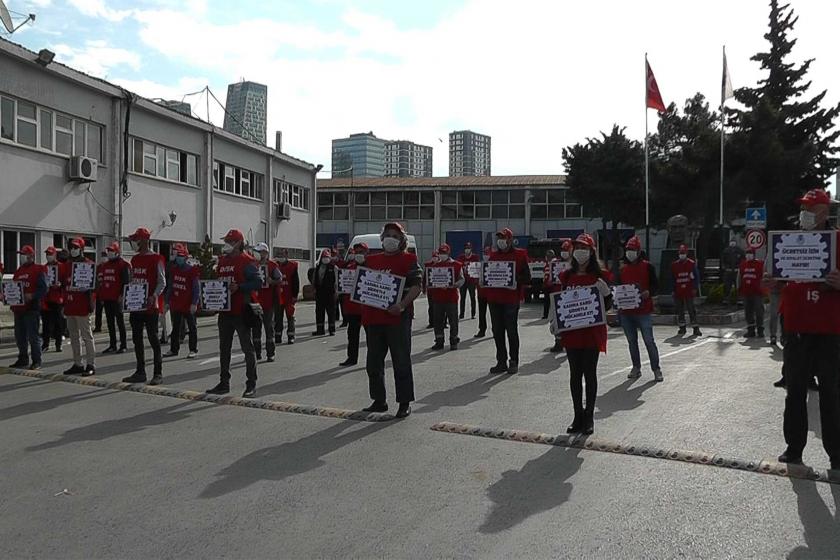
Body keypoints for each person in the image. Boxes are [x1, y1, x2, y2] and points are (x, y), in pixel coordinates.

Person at [777, 188, 840, 471]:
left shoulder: (838, 241)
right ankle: (794, 448)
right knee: (795, 392)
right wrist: (772, 281)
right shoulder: (789, 242)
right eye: (802, 208)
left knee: (831, 393)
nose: (803, 214)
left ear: (824, 212)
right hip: (796, 329)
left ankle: (837, 454)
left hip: (829, 332)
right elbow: (779, 282)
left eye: (809, 208)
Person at [361, 222, 422, 418]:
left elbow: (417, 286)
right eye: (387, 235)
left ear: (402, 240)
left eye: (395, 236)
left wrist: (402, 305)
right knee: (373, 362)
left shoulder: (409, 260)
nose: (390, 238)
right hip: (374, 319)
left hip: (398, 319)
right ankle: (379, 400)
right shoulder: (370, 261)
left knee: (401, 361)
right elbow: (360, 284)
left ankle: (404, 403)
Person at [556, 234, 613, 435]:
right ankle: (577, 416)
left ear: (592, 251)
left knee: (589, 374)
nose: (580, 251)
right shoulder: (567, 276)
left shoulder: (601, 277)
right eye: (578, 247)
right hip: (572, 334)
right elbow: (561, 301)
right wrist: (555, 322)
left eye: (585, 248)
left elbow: (607, 306)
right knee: (574, 375)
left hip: (591, 333)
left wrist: (606, 294)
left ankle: (589, 418)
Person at [207, 229, 261, 397]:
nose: (226, 244)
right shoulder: (222, 261)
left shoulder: (247, 261)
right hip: (225, 311)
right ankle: (224, 382)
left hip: (241, 310)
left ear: (238, 243)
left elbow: (258, 282)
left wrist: (240, 287)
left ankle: (251, 383)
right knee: (224, 348)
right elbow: (218, 283)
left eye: (230, 241)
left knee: (247, 347)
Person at [122, 228, 166, 385]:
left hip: (151, 306)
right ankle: (140, 371)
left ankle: (158, 372)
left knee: (153, 338)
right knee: (136, 339)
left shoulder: (157, 259)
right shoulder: (134, 260)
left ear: (144, 241)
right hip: (137, 305)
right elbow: (134, 280)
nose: (133, 243)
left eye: (136, 240)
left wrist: (154, 295)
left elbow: (162, 281)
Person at [485, 228, 530, 374]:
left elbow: (527, 278)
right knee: (497, 331)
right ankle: (501, 361)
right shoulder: (493, 256)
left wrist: (514, 281)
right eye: (499, 238)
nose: (501, 241)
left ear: (510, 240)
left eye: (503, 238)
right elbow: (488, 274)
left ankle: (514, 361)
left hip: (511, 299)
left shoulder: (520, 255)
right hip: (494, 299)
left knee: (511, 330)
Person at [617, 236, 663, 382]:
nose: (630, 252)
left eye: (632, 250)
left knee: (649, 341)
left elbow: (656, 285)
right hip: (626, 312)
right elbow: (616, 288)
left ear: (638, 251)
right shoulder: (622, 269)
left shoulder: (648, 266)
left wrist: (649, 292)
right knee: (632, 341)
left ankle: (656, 369)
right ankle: (636, 367)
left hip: (643, 311)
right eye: (628, 250)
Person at [61, 237, 97, 376]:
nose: (73, 250)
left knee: (87, 336)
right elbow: (64, 284)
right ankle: (77, 363)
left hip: (82, 307)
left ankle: (91, 364)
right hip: (70, 305)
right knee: (74, 337)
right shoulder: (67, 265)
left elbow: (95, 287)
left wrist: (88, 294)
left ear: (81, 249)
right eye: (71, 247)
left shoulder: (89, 265)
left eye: (76, 247)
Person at [9, 245, 47, 369]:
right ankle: (22, 358)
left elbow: (44, 288)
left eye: (23, 255)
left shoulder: (39, 269)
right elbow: (13, 288)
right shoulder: (18, 271)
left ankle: (36, 360)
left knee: (33, 336)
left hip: (31, 308)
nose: (21, 257)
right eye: (20, 255)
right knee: (20, 336)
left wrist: (33, 296)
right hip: (18, 308)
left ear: (31, 256)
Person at [165, 243, 200, 359]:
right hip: (177, 303)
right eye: (177, 255)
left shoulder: (192, 270)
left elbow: (196, 288)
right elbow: (170, 286)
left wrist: (194, 303)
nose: (178, 258)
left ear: (185, 257)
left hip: (188, 304)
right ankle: (174, 349)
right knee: (175, 328)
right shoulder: (174, 270)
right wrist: (167, 301)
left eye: (181, 256)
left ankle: (193, 349)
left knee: (192, 327)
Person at [429, 243, 465, 351]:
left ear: (448, 253)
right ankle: (439, 341)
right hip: (437, 299)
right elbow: (430, 280)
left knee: (453, 321)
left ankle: (453, 341)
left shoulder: (457, 265)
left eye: (444, 253)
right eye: (440, 253)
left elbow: (462, 279)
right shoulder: (434, 267)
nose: (442, 255)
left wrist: (455, 284)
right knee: (438, 321)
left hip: (451, 298)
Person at [97, 242, 130, 354]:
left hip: (117, 298)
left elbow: (126, 282)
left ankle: (123, 344)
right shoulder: (105, 266)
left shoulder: (123, 265)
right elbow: (102, 281)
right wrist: (101, 296)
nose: (109, 253)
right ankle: (112, 344)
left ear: (117, 252)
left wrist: (122, 295)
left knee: (120, 322)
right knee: (110, 322)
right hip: (107, 298)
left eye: (111, 251)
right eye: (109, 251)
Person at [252, 242, 281, 361]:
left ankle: (270, 353)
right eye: (257, 252)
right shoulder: (252, 265)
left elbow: (279, 279)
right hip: (255, 301)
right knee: (255, 329)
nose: (258, 254)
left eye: (260, 252)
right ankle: (256, 353)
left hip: (268, 302)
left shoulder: (273, 265)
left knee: (269, 328)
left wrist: (271, 281)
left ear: (265, 253)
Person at [340, 244, 367, 366]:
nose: (359, 254)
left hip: (368, 309)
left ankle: (373, 360)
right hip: (353, 309)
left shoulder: (372, 267)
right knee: (352, 335)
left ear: (367, 252)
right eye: (357, 252)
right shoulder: (350, 267)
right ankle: (351, 358)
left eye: (361, 251)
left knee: (372, 338)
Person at [545, 241, 573, 352]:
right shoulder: (554, 263)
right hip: (556, 296)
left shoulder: (575, 265)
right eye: (563, 250)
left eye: (567, 250)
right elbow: (548, 281)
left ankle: (569, 342)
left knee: (570, 320)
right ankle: (558, 342)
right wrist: (550, 281)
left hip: (569, 297)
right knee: (555, 320)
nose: (564, 252)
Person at [671, 244, 702, 337]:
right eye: (680, 253)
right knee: (680, 310)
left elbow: (696, 277)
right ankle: (682, 328)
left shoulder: (691, 264)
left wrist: (695, 288)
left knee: (691, 309)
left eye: (683, 253)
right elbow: (672, 278)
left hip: (689, 290)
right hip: (678, 290)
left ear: (686, 253)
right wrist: (673, 290)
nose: (682, 255)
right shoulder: (674, 265)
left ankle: (695, 328)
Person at [41, 246, 65, 353]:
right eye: (47, 254)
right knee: (46, 323)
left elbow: (65, 281)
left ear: (55, 255)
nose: (48, 256)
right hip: (46, 299)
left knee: (58, 323)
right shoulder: (44, 268)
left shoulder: (61, 267)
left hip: (57, 299)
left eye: (50, 254)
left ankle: (58, 344)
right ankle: (45, 344)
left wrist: (60, 285)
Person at [274, 248, 299, 344]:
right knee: (278, 318)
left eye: (282, 255)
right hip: (278, 296)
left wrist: (295, 295)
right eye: (279, 255)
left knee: (290, 317)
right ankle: (278, 336)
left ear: (286, 256)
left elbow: (295, 282)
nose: (280, 257)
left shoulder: (292, 266)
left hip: (289, 296)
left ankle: (291, 336)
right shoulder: (274, 265)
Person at [739, 248, 765, 339]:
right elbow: (740, 277)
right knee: (748, 312)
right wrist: (740, 289)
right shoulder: (743, 265)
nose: (748, 255)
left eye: (750, 254)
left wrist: (764, 289)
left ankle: (760, 330)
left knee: (759, 311)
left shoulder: (760, 264)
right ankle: (751, 330)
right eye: (747, 254)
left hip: (757, 292)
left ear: (754, 255)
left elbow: (763, 277)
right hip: (746, 292)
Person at [311, 248, 337, 336]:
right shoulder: (318, 267)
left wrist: (337, 292)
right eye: (324, 257)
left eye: (327, 257)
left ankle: (332, 329)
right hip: (319, 292)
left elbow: (337, 281)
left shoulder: (333, 268)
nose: (325, 259)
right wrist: (314, 288)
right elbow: (315, 278)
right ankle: (320, 330)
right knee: (319, 312)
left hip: (330, 293)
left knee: (331, 312)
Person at [457, 242, 479, 319]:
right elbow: (458, 268)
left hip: (471, 280)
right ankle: (462, 313)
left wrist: (476, 280)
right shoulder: (461, 257)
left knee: (472, 297)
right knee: (462, 297)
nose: (467, 249)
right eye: (466, 248)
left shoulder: (475, 257)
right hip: (463, 280)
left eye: (468, 248)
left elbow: (477, 269)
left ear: (471, 249)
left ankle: (473, 313)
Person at [474, 246, 492, 338]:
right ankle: (482, 329)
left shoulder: (494, 265)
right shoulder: (479, 265)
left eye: (487, 253)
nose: (486, 255)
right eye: (484, 253)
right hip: (481, 293)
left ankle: (496, 329)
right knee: (482, 313)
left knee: (494, 314)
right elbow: (473, 276)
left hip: (492, 294)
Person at [423, 251, 439, 329]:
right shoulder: (428, 266)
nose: (434, 258)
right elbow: (424, 278)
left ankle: (443, 322)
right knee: (431, 307)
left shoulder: (442, 265)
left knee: (441, 307)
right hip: (431, 290)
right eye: (433, 257)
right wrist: (424, 289)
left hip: (440, 290)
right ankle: (431, 322)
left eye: (436, 257)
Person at [93, 250, 107, 333]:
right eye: (102, 255)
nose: (103, 257)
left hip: (107, 292)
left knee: (111, 312)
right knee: (98, 311)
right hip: (99, 292)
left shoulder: (109, 266)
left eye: (105, 255)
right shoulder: (98, 267)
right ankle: (98, 326)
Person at [541, 249, 557, 320]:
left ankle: (553, 316)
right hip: (547, 286)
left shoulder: (555, 263)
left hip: (553, 286)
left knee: (553, 302)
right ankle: (545, 315)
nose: (547, 257)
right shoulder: (547, 264)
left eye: (548, 256)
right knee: (547, 301)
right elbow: (545, 274)